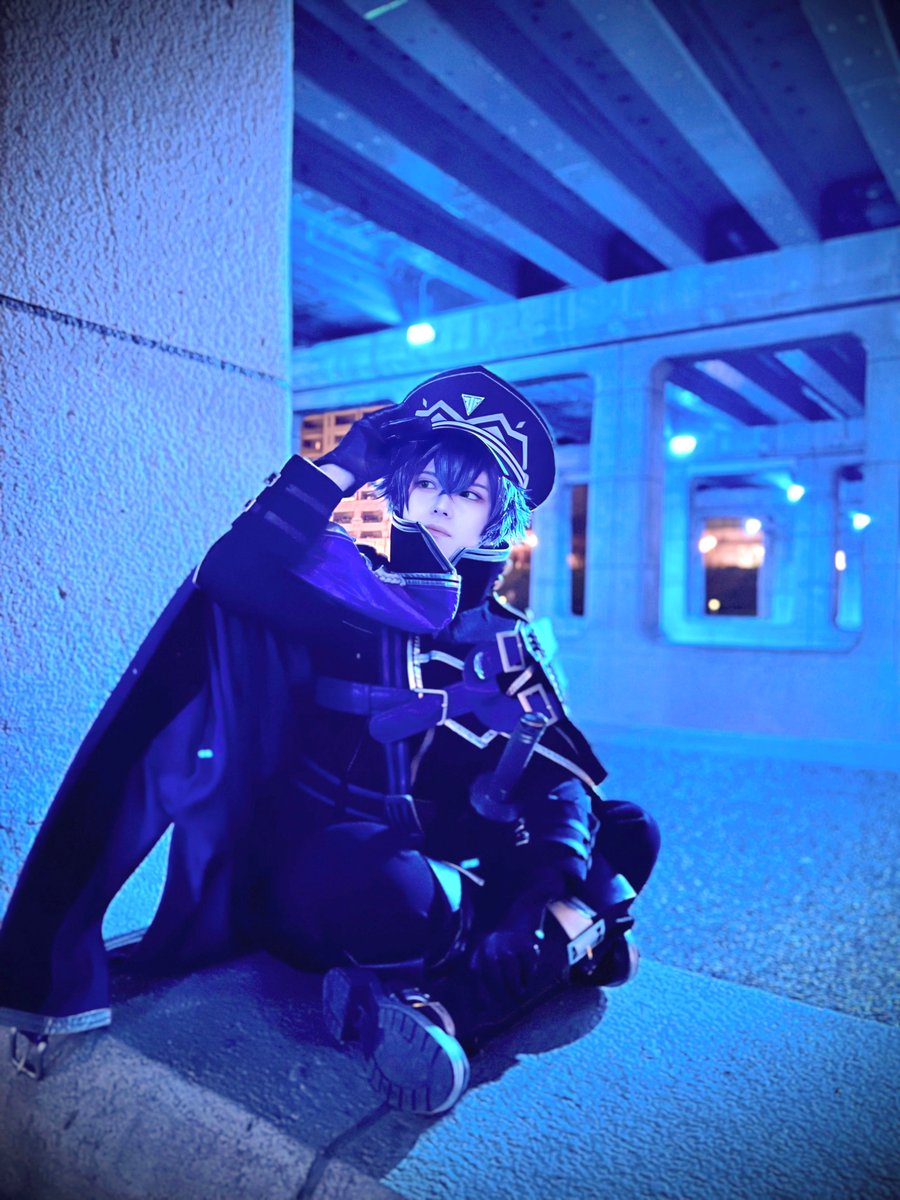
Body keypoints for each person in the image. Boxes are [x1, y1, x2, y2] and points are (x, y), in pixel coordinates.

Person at [0, 366, 658, 1113]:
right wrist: (341, 466)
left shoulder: (508, 636)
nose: (442, 503)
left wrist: (534, 891)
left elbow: (558, 775)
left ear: (496, 521)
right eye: (427, 482)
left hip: (457, 863)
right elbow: (229, 571)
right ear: (400, 491)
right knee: (378, 887)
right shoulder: (342, 584)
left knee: (630, 829)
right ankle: (573, 938)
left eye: (469, 494)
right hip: (337, 862)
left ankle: (457, 1008)